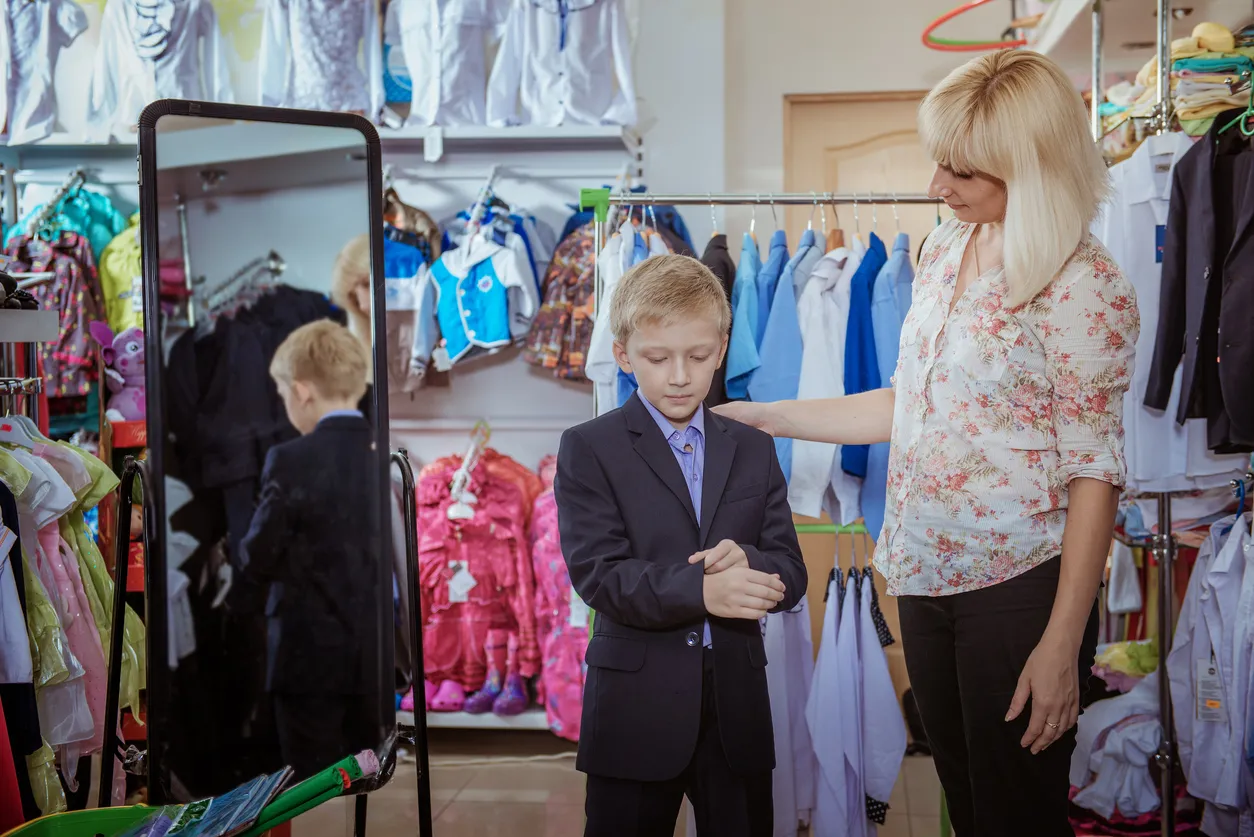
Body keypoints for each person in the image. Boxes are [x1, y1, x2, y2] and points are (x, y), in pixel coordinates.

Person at [716, 50, 1138, 836]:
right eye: (939, 162)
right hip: (921, 568)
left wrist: (1061, 641)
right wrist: (766, 416)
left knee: (1017, 810)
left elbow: (1095, 471)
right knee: (967, 802)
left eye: (963, 172)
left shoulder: (1085, 285)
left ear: (1033, 170)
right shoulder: (946, 249)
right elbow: (911, 403)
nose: (938, 185)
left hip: (1017, 586)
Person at [554, 254, 807, 837]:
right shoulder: (589, 447)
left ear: (721, 349)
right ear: (622, 354)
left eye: (696, 357)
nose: (679, 376)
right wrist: (705, 590)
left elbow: (791, 570)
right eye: (657, 358)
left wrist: (752, 566)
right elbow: (600, 576)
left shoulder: (751, 447)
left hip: (737, 711)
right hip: (634, 709)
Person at [239, 319, 382, 780]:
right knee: (364, 772)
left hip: (306, 651)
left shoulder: (290, 459)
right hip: (371, 651)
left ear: (301, 391)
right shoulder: (385, 458)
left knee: (307, 779)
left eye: (282, 394)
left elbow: (259, 553)